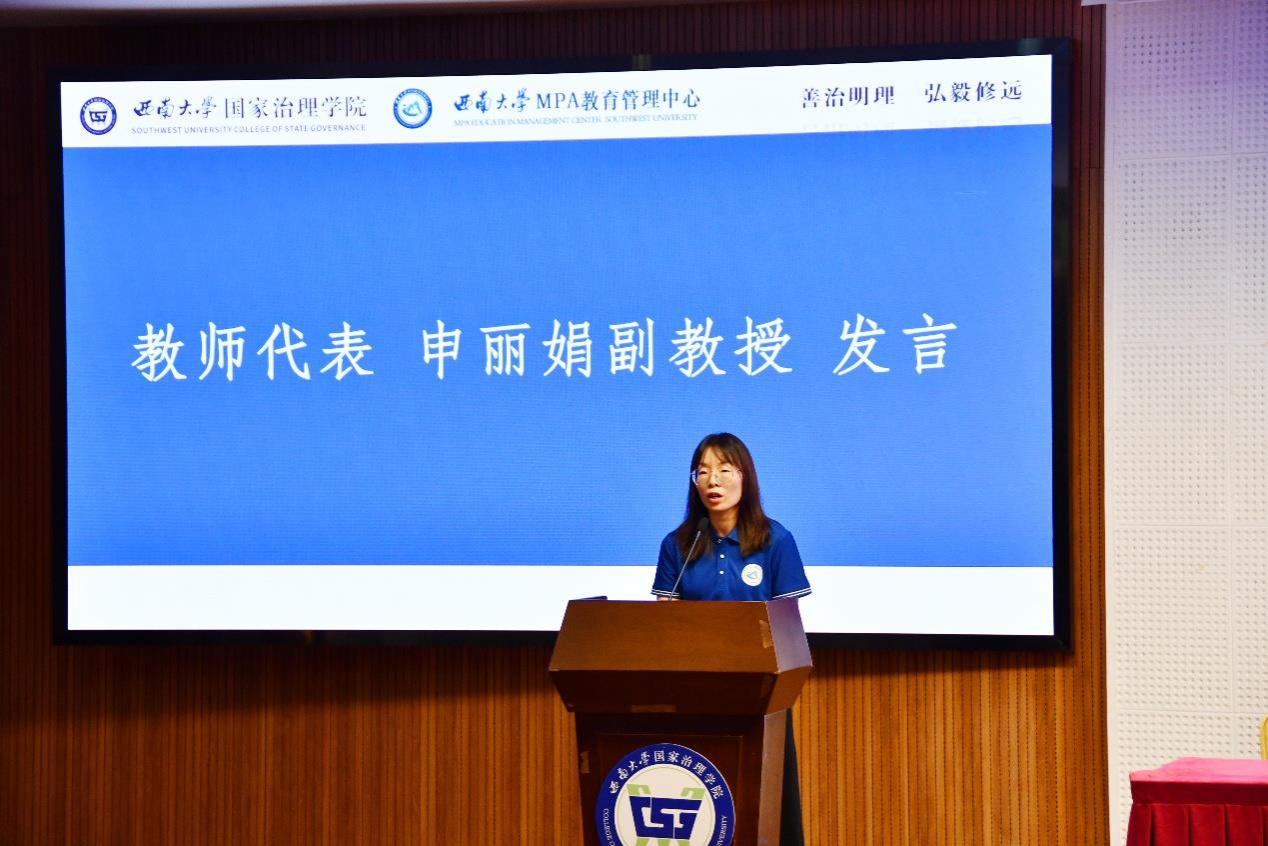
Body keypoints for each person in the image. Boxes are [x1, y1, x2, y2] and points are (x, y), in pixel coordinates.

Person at [650, 431, 811, 846]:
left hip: (760, 693)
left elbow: (788, 626)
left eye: (724, 469)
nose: (713, 481)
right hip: (696, 691)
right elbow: (664, 625)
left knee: (765, 801)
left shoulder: (775, 541)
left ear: (745, 476)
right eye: (702, 472)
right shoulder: (679, 544)